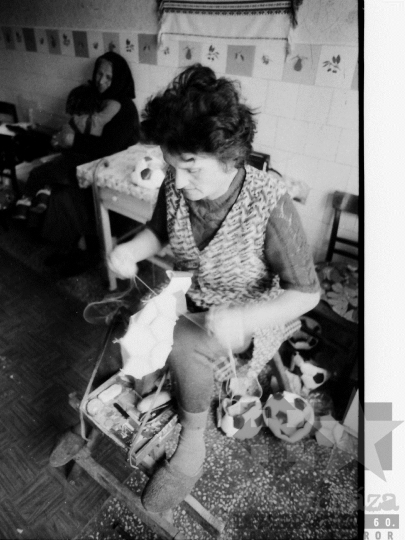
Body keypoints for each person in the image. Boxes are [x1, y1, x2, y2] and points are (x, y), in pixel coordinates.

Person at [107, 64, 321, 513]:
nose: (178, 181)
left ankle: (192, 441)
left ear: (229, 156)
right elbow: (158, 232)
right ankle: (181, 388)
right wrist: (130, 250)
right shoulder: (175, 184)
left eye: (190, 168)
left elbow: (306, 293)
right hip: (199, 296)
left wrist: (244, 318)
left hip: (254, 313)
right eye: (172, 166)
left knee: (185, 341)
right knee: (140, 320)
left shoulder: (270, 203)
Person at [14, 52, 140, 276]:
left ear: (119, 80)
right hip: (86, 163)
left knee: (65, 195)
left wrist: (73, 141)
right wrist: (65, 139)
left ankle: (84, 253)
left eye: (108, 77)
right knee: (57, 191)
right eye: (99, 74)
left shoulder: (124, 108)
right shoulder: (97, 100)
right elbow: (82, 127)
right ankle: (70, 248)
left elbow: (110, 148)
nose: (101, 81)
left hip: (108, 171)